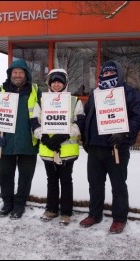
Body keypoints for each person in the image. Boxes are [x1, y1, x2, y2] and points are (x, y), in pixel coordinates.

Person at [79, 60, 140, 233]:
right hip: (94, 148)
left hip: (116, 148)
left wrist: (124, 132)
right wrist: (85, 136)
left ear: (119, 74)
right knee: (94, 184)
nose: (107, 77)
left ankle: (119, 218)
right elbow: (87, 116)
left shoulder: (130, 93)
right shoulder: (96, 94)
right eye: (105, 74)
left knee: (118, 185)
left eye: (111, 74)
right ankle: (94, 214)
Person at [31, 69, 85, 225]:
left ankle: (67, 212)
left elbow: (80, 121)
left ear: (65, 83)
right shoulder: (41, 101)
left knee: (66, 181)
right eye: (53, 81)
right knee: (52, 180)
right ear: (49, 83)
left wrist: (66, 134)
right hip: (48, 149)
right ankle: (52, 209)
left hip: (67, 150)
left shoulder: (74, 101)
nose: (56, 84)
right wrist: (44, 137)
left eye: (59, 81)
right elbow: (35, 122)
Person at [0, 59, 42, 219]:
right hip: (6, 142)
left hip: (28, 142)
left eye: (21, 72)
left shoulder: (35, 91)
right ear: (10, 74)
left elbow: (43, 114)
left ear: (26, 74)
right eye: (15, 72)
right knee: (5, 175)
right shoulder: (1, 90)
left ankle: (20, 205)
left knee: (25, 176)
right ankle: (7, 203)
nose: (18, 75)